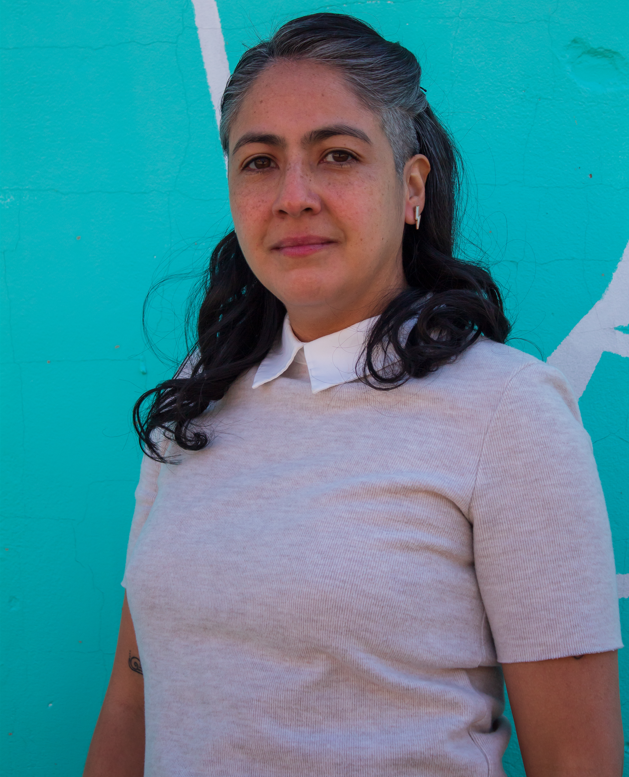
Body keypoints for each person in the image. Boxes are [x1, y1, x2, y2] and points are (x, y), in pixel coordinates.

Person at [84, 13, 623, 777]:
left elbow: (576, 760)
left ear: (409, 188)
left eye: (336, 155)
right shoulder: (195, 393)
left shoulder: (507, 413)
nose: (293, 195)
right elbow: (132, 704)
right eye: (259, 161)